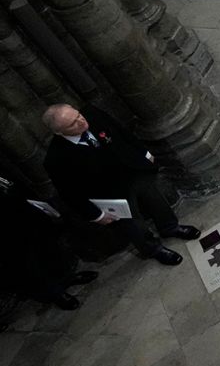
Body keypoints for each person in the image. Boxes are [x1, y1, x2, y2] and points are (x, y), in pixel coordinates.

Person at [41, 104, 198, 267]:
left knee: (156, 200)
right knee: (133, 225)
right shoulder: (56, 160)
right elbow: (70, 194)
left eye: (78, 115)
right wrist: (97, 215)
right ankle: (153, 249)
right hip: (110, 193)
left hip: (132, 170)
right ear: (59, 132)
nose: (81, 122)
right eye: (72, 124)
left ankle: (170, 227)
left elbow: (122, 132)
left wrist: (145, 153)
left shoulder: (92, 113)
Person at [0, 180, 97, 310]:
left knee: (47, 246)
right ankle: (55, 292)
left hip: (18, 208)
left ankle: (66, 277)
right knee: (24, 263)